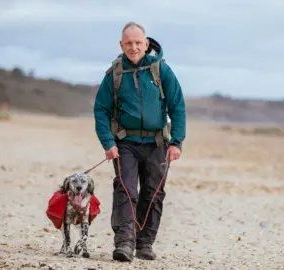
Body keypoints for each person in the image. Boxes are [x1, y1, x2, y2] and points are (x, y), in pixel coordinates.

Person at [93, 22, 186, 262]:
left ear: (146, 44)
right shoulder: (114, 74)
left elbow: (178, 107)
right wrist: (107, 143)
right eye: (129, 43)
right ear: (121, 45)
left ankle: (145, 243)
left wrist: (176, 142)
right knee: (126, 191)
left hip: (157, 143)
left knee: (153, 193)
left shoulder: (161, 71)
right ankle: (124, 243)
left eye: (138, 43)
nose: (133, 48)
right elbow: (101, 110)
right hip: (126, 143)